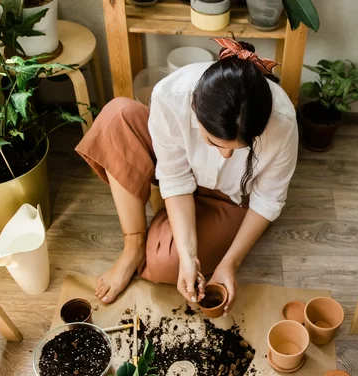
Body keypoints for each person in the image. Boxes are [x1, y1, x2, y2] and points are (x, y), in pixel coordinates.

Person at [75, 38, 298, 314]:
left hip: (229, 198)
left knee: (162, 262)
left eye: (239, 149)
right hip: (183, 173)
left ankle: (166, 222)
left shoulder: (282, 122)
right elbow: (175, 177)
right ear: (195, 110)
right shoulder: (173, 94)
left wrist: (229, 264)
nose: (225, 156)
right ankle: (132, 245)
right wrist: (188, 255)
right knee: (115, 116)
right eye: (214, 143)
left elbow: (267, 199)